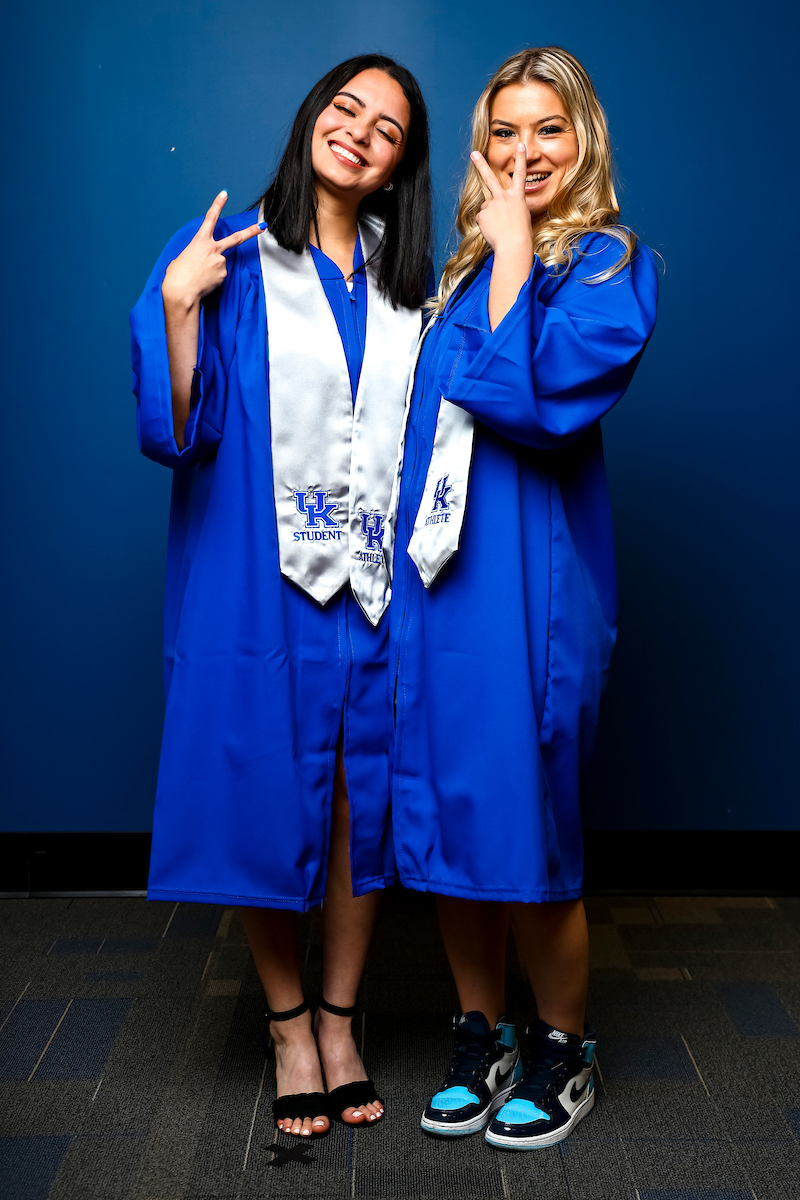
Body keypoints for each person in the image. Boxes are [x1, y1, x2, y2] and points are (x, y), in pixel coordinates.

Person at [130, 54, 432, 1139]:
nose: (358, 131)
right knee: (265, 787)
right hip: (259, 583)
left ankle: (341, 1017)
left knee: (364, 797)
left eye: (387, 127)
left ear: (401, 162)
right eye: (344, 108)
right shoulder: (231, 255)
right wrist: (176, 310)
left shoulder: (408, 279)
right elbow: (181, 430)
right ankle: (287, 1019)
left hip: (374, 587)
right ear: (312, 117)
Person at [388, 46, 657, 1149]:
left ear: (580, 137)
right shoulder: (460, 267)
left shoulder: (604, 262)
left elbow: (532, 405)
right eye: (503, 131)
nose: (523, 151)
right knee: (454, 806)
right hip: (441, 582)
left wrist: (509, 258)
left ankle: (561, 1047)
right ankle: (478, 1030)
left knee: (526, 813)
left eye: (546, 128)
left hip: (532, 589)